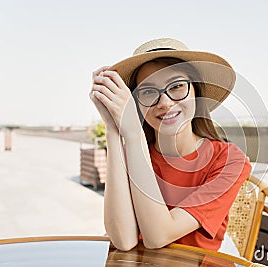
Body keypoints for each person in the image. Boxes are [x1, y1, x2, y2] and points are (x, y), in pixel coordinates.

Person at [90, 38, 251, 254]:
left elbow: (158, 236)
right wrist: (112, 127)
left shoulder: (229, 161)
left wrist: (134, 133)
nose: (164, 103)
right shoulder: (133, 153)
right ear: (136, 104)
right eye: (148, 92)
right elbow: (123, 240)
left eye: (176, 87)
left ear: (196, 92)